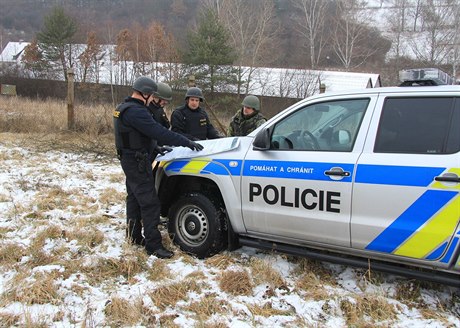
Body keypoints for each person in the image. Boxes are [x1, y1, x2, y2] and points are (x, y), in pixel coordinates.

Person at [113, 76, 204, 259]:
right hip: (137, 162)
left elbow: (134, 136)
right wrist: (185, 142)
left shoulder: (123, 108)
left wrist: (155, 148)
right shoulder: (137, 111)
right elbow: (158, 131)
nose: (153, 99)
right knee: (150, 202)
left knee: (134, 198)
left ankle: (134, 236)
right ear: (145, 94)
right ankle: (153, 245)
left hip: (130, 159)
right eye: (151, 95)